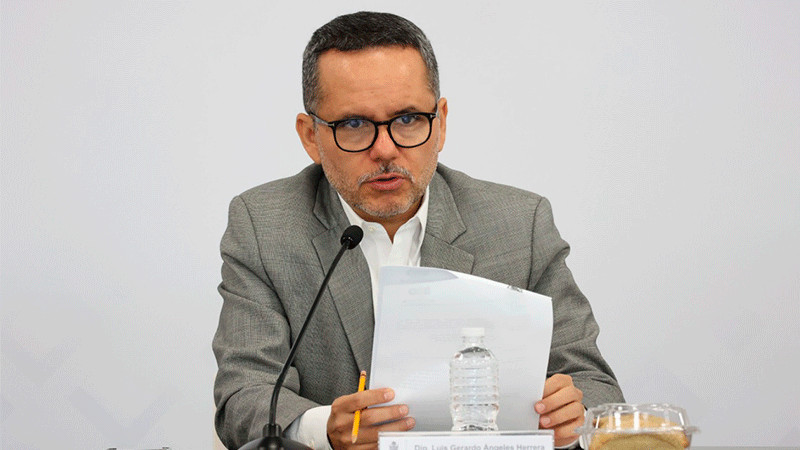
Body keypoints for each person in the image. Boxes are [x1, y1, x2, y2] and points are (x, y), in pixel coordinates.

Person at [213, 11, 623, 450]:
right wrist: (324, 429)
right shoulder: (264, 226)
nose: (385, 149)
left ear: (440, 122)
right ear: (311, 136)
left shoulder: (520, 225)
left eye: (408, 119)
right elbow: (243, 396)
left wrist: (574, 414)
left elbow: (596, 386)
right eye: (354, 125)